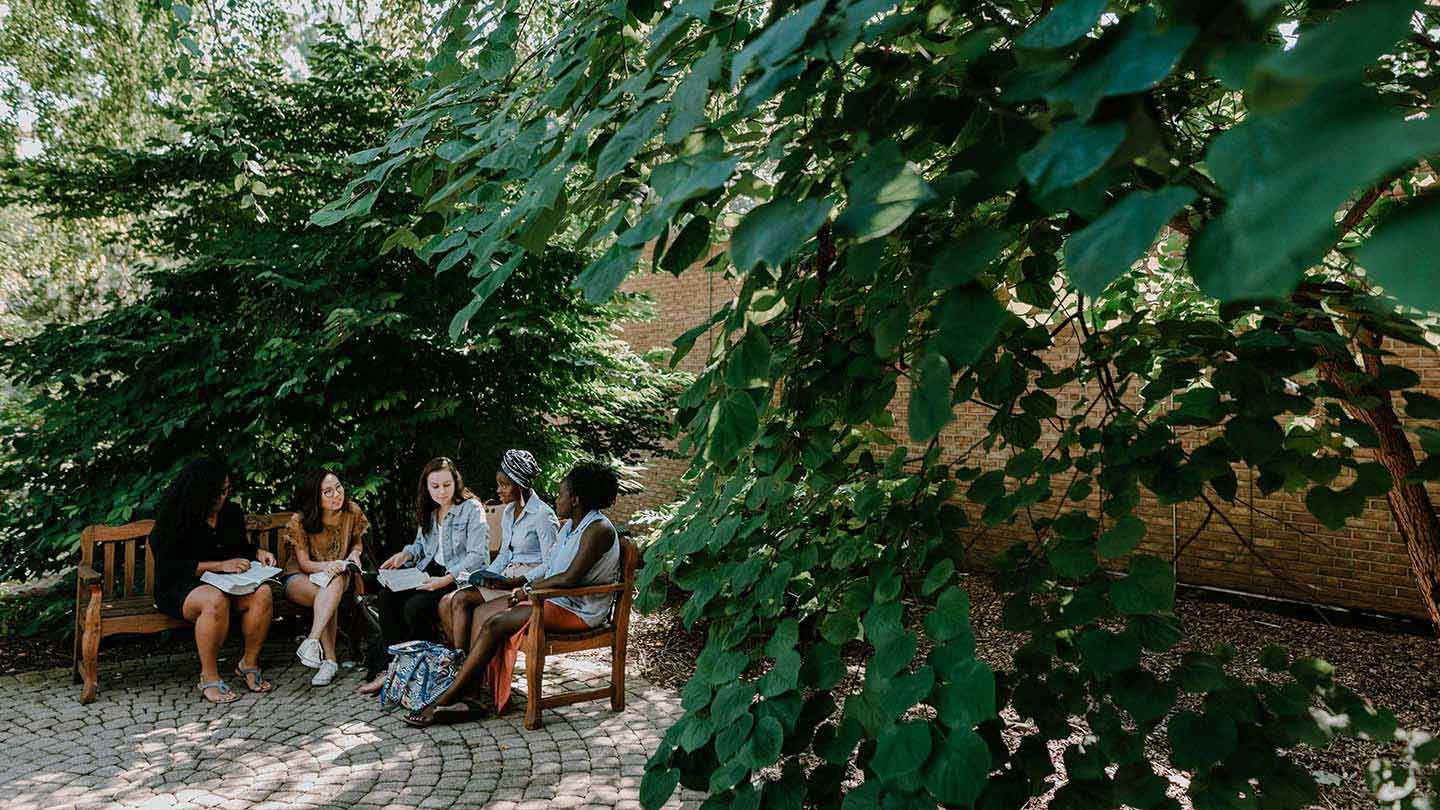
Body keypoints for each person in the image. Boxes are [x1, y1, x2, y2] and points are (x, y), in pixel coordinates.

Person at [403, 461, 621, 726]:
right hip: (553, 598)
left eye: (561, 493)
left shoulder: (598, 529)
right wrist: (515, 584)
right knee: (481, 612)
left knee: (496, 623)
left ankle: (448, 697)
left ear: (575, 499)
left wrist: (525, 590)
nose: (556, 498)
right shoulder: (569, 527)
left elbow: (569, 578)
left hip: (579, 609)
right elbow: (551, 568)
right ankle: (472, 693)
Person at [148, 458, 278, 704]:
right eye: (216, 492)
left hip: (227, 583)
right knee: (214, 600)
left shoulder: (230, 512)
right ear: (199, 491)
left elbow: (239, 547)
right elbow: (170, 566)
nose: (222, 497)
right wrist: (217, 566)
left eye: (226, 491)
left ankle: (248, 664)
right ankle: (209, 676)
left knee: (263, 593)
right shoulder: (174, 516)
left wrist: (258, 553)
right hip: (180, 586)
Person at [357, 457, 489, 694]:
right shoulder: (431, 511)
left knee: (415, 607)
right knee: (388, 597)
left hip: (458, 578)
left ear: (455, 482)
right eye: (435, 487)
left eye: (446, 485)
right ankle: (393, 667)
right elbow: (421, 547)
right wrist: (404, 555)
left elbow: (477, 556)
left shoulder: (471, 508)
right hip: (429, 572)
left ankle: (417, 668)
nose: (441, 492)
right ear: (426, 487)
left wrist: (447, 579)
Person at [438, 449, 558, 648]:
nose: (498, 490)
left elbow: (550, 564)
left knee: (460, 600)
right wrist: (488, 576)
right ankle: (462, 662)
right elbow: (504, 555)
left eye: (505, 485)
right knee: (448, 601)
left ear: (521, 485)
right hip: (505, 579)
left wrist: (518, 581)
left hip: (525, 584)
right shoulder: (509, 512)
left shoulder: (543, 515)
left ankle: (465, 666)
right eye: (499, 484)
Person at [283, 468, 370, 687]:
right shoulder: (300, 521)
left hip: (337, 575)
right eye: (327, 492)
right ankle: (329, 659)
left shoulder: (352, 511)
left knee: (333, 585)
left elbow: (358, 542)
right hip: (302, 576)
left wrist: (354, 554)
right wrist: (328, 565)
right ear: (315, 496)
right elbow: (304, 564)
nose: (336, 495)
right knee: (328, 595)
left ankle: (315, 644)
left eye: (338, 487)